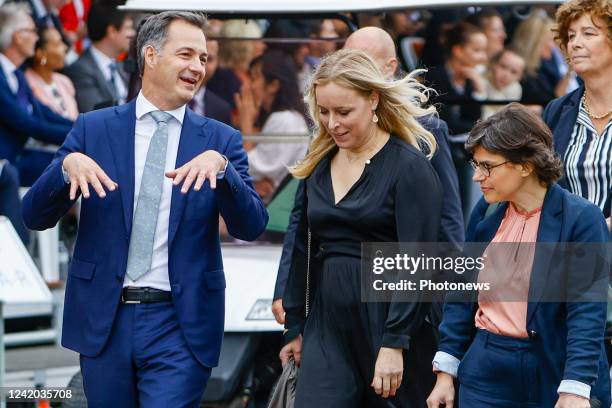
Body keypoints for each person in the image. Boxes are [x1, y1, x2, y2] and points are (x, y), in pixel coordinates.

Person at [22, 11, 268, 407]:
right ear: (150, 56)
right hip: (105, 319)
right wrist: (65, 169)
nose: (197, 67)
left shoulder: (220, 140)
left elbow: (252, 225)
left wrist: (224, 172)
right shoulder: (93, 128)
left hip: (180, 324)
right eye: (186, 54)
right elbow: (34, 216)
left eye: (203, 58)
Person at [279, 48, 443, 407]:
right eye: (323, 112)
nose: (332, 123)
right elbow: (303, 246)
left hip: (390, 320)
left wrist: (394, 341)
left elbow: (418, 261)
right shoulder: (318, 166)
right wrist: (295, 323)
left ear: (373, 100)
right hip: (327, 321)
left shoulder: (408, 168)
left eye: (343, 111)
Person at [272, 26, 464, 325]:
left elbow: (446, 217)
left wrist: (449, 299)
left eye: (362, 60)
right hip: (334, 292)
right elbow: (302, 220)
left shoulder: (425, 130)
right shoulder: (331, 130)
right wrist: (286, 287)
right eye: (346, 58)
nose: (352, 69)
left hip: (393, 291)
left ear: (390, 68)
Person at [427, 104, 611, 408]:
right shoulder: (485, 213)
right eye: (475, 165)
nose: (477, 177)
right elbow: (461, 292)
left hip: (553, 367)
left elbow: (587, 310)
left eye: (488, 166)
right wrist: (446, 371)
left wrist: (576, 387)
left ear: (525, 165)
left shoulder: (582, 218)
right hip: (486, 368)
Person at [543, 0, 611, 229]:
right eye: (571, 36)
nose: (576, 44)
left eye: (588, 33)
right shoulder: (557, 110)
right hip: (570, 253)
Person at [0, 3, 72, 187]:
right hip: (7, 165)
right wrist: (80, 134)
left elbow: (44, 113)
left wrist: (84, 125)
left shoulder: (16, 74)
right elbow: (28, 124)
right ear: (17, 37)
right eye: (32, 31)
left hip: (20, 159)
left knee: (78, 163)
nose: (36, 37)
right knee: (72, 166)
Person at [235, 50, 308, 202]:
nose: (248, 86)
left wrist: (246, 123)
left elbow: (250, 169)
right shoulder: (283, 118)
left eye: (254, 78)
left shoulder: (284, 119)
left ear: (273, 85)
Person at [63, 3, 135, 112]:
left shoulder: (120, 67)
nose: (133, 33)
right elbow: (95, 115)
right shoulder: (80, 70)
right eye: (129, 28)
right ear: (112, 31)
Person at [424, 21, 488, 135]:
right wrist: (483, 128)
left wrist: (479, 92)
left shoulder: (471, 80)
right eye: (477, 50)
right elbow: (447, 124)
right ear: (458, 51)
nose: (483, 57)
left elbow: (473, 120)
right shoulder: (434, 78)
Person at [511, 10, 571, 106]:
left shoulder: (549, 63)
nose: (553, 46)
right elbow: (555, 99)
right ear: (535, 42)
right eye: (550, 41)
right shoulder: (519, 70)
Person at [25, 26, 78, 120]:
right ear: (40, 54)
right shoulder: (27, 84)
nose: (65, 47)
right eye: (58, 44)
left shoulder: (64, 81)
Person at [188, 36, 232, 126]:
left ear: (218, 62)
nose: (200, 67)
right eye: (190, 56)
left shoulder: (221, 109)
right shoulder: (162, 101)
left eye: (209, 59)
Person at [481, 48, 525, 119]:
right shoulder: (481, 80)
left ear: (519, 77)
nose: (506, 75)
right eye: (503, 66)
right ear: (494, 64)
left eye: (514, 72)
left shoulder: (515, 88)